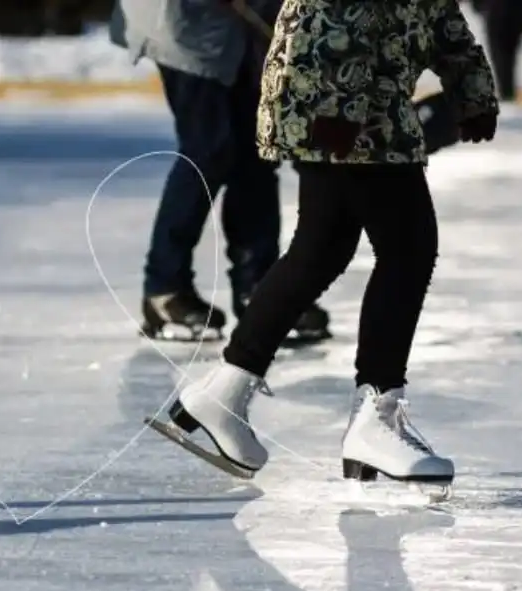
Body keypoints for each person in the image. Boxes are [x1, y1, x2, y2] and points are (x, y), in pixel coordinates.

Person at [153, 0, 499, 488]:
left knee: (321, 250)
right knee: (407, 250)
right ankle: (376, 419)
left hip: (353, 101)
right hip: (341, 103)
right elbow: (329, 17)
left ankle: (226, 390)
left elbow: (432, 14)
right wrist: (334, 105)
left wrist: (473, 90)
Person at [110, 0, 331, 344]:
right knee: (209, 148)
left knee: (256, 151)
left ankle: (260, 290)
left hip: (235, 30)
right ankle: (164, 290)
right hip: (183, 23)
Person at [476, 0, 522, 103]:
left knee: (502, 50)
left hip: (503, 8)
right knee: (504, 52)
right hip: (508, 8)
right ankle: (506, 93)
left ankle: (506, 93)